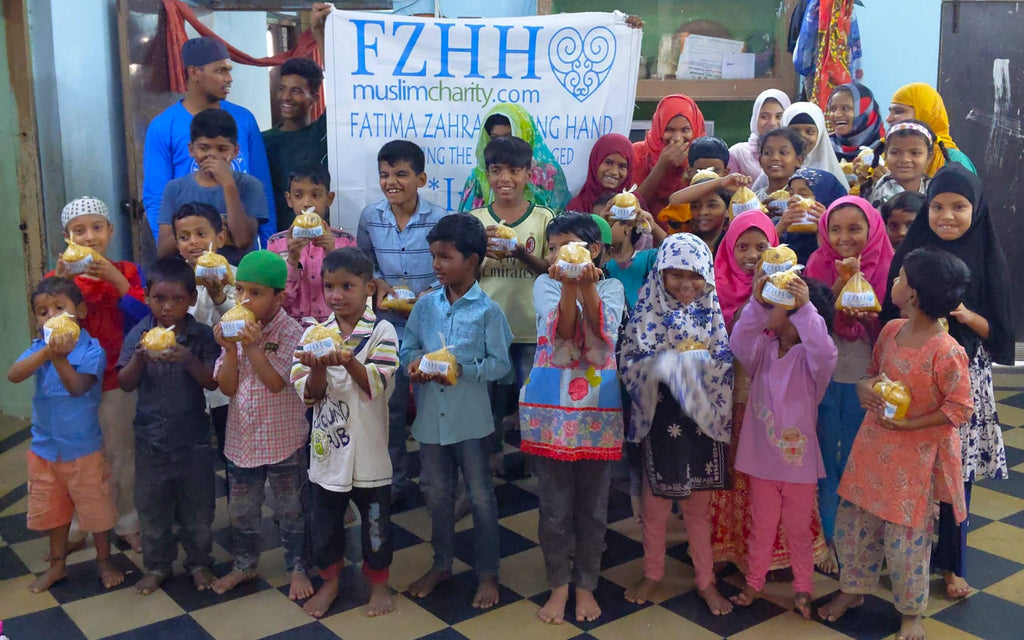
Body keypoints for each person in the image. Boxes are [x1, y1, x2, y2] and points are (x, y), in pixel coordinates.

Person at [820, 247, 974, 640]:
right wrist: (864, 389)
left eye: (901, 277)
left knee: (907, 543)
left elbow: (960, 408)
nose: (893, 282)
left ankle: (911, 613)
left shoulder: (946, 350)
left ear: (915, 294)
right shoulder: (890, 331)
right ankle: (852, 591)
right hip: (872, 451)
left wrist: (912, 426)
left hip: (914, 461)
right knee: (854, 526)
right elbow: (872, 374)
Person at [881, 164, 1014, 601]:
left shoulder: (988, 256)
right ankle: (901, 554)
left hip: (963, 382)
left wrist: (963, 315)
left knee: (956, 477)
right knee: (907, 470)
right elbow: (891, 309)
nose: (947, 216)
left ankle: (952, 564)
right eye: (938, 206)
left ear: (975, 209)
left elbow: (1002, 336)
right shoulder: (914, 252)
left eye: (959, 207)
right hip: (912, 378)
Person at [518, 213, 626, 625]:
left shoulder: (612, 287)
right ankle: (559, 585)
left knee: (594, 509)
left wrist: (586, 285)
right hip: (551, 412)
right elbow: (562, 331)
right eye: (553, 247)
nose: (557, 254)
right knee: (555, 507)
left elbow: (603, 335)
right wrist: (568, 284)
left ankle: (586, 586)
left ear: (594, 249)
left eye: (566, 246)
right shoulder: (545, 283)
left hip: (597, 408)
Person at [619, 234, 735, 616]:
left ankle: (706, 581)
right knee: (655, 506)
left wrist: (700, 366)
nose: (686, 284)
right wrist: (663, 366)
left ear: (707, 276)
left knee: (698, 509)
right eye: (675, 275)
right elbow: (630, 365)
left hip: (701, 424)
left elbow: (724, 364)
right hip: (662, 417)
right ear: (660, 276)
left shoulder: (712, 312)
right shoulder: (647, 312)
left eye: (695, 275)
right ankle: (653, 573)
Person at [402, 214, 512, 609]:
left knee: (481, 498)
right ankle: (442, 563)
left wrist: (463, 370)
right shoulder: (426, 305)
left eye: (446, 257)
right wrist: (415, 364)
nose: (436, 265)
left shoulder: (488, 312)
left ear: (473, 260)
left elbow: (502, 366)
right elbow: (408, 347)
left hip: (471, 422)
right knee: (437, 494)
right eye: (434, 257)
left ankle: (488, 574)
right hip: (431, 422)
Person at [291, 248, 399, 618]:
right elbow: (310, 394)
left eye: (347, 286)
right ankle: (330, 583)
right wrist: (319, 365)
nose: (336, 295)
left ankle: (379, 585)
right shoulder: (314, 335)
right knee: (324, 526)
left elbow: (376, 385)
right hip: (328, 453)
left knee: (376, 525)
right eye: (329, 286)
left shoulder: (382, 331)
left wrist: (347, 358)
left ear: (369, 288)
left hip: (369, 450)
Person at [728, 275, 837, 618]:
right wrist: (758, 304)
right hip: (762, 462)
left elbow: (824, 348)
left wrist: (805, 308)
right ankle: (754, 581)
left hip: (797, 466)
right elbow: (739, 339)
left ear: (795, 316)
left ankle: (803, 587)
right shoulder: (762, 350)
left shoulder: (811, 361)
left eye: (777, 306)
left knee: (798, 529)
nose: (770, 312)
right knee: (761, 526)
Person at [7, 277, 124, 593]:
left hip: (83, 449)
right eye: (43, 312)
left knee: (95, 509)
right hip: (45, 448)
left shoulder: (91, 350)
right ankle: (57, 564)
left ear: (80, 311)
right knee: (54, 510)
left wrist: (57, 358)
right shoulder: (38, 349)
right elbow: (14, 375)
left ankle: (103, 560)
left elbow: (77, 388)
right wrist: (46, 353)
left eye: (60, 308)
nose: (51, 317)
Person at [211, 251, 312, 599]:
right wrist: (227, 350)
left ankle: (298, 566)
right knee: (240, 510)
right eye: (239, 291)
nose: (243, 300)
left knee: (292, 509)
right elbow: (226, 387)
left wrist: (252, 346)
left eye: (255, 293)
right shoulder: (233, 326)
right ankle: (244, 564)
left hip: (284, 438)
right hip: (242, 438)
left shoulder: (291, 332)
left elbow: (275, 382)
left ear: (279, 297)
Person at [49, 196, 147, 554]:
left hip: (116, 378)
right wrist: (61, 285)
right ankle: (81, 524)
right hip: (75, 383)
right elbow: (49, 322)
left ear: (110, 230)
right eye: (79, 231)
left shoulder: (128, 271)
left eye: (96, 228)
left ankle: (127, 520)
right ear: (66, 237)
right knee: (81, 454)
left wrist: (118, 280)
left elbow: (143, 317)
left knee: (122, 451)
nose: (89, 237)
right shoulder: (57, 278)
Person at [116, 257, 220, 595]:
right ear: (147, 297)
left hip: (194, 442)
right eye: (160, 298)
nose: (168, 307)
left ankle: (199, 562)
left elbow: (212, 383)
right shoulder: (139, 333)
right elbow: (125, 383)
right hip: (150, 442)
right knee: (152, 512)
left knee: (198, 512)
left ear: (191, 299)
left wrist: (187, 359)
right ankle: (158, 565)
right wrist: (140, 358)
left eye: (177, 299)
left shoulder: (201, 336)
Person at [804, 196, 894, 569]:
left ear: (871, 230)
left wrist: (867, 312)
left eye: (855, 229)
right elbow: (815, 322)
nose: (844, 238)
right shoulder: (817, 263)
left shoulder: (888, 266)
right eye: (835, 229)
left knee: (865, 459)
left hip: (870, 380)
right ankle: (830, 538)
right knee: (826, 459)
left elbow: (891, 327)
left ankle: (865, 540)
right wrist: (842, 287)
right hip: (824, 379)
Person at [357, 139, 447, 503]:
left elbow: (450, 265)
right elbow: (365, 263)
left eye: (401, 174)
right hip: (387, 326)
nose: (391, 181)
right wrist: (376, 282)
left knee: (430, 404)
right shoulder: (370, 217)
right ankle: (394, 481)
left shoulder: (440, 219)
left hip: (430, 326)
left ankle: (433, 483)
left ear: (421, 178)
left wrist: (432, 293)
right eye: (384, 174)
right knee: (390, 407)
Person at [469, 136, 554, 471]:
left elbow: (551, 270)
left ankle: (539, 464)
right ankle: (490, 461)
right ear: (486, 174)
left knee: (532, 400)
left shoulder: (544, 217)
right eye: (496, 170)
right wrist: (479, 256)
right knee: (487, 403)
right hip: (486, 329)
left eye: (515, 170)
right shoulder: (475, 219)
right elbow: (464, 276)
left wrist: (521, 253)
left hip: (531, 329)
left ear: (529, 173)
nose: (505, 178)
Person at [143, 36, 276, 246]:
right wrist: (176, 249)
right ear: (194, 73)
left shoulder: (244, 119)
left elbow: (263, 186)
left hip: (241, 250)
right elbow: (156, 197)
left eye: (229, 70)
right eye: (220, 70)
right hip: (191, 253)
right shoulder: (163, 126)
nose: (229, 78)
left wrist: (270, 248)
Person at [157, 108, 269, 264]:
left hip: (237, 278)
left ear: (235, 151)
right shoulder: (175, 188)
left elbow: (242, 240)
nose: (212, 155)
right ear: (191, 150)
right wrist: (196, 230)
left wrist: (228, 184)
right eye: (204, 148)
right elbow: (163, 250)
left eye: (222, 149)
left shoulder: (250, 186)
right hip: (191, 276)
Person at [172, 202, 237, 460]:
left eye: (201, 234)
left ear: (219, 238)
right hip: (185, 380)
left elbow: (239, 323)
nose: (193, 243)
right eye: (184, 237)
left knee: (228, 447)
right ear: (176, 243)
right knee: (191, 451)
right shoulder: (174, 282)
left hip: (225, 384)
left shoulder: (235, 277)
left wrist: (219, 295)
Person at [267, 165, 356, 323]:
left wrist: (332, 255)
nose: (307, 203)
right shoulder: (276, 243)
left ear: (329, 199)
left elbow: (353, 296)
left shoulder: (346, 241)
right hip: (290, 329)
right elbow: (277, 301)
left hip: (336, 327)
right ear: (289, 199)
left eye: (315, 195)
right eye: (298, 195)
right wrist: (292, 260)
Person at [459, 103, 570, 212]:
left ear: (524, 134)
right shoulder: (478, 176)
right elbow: (465, 224)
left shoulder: (548, 173)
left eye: (508, 137)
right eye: (495, 138)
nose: (502, 145)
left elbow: (560, 223)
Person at [263, 57, 328, 232]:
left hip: (320, 239)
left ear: (314, 98)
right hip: (280, 241)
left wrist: (320, 35)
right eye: (282, 89)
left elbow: (343, 86)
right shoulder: (263, 141)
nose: (286, 97)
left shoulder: (323, 133)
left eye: (296, 91)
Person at [634, 94, 707, 217]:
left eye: (685, 130)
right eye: (669, 130)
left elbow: (708, 206)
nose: (677, 139)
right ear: (659, 128)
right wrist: (661, 166)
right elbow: (632, 207)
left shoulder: (704, 155)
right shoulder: (639, 153)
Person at [887, 82, 977, 174]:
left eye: (898, 111)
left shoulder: (954, 160)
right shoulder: (883, 157)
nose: (888, 119)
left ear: (925, 114)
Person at [775, 168, 847, 265]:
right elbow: (761, 257)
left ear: (824, 198)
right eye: (791, 194)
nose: (794, 199)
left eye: (803, 194)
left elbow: (832, 268)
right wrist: (780, 227)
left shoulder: (844, 231)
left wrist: (823, 230)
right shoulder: (781, 226)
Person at [863, 120, 938, 209]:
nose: (905, 159)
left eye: (914, 153)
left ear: (929, 157)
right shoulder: (871, 196)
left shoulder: (938, 193)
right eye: (895, 152)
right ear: (886, 155)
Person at [781, 102, 849, 192]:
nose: (801, 138)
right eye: (794, 132)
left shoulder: (834, 183)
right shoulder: (773, 171)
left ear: (820, 134)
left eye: (810, 132)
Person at [567, 133, 638, 213]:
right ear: (595, 162)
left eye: (622, 166)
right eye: (608, 163)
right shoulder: (576, 207)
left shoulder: (635, 205)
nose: (614, 172)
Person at [729, 89, 791, 180]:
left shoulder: (795, 154)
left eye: (779, 117)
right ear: (755, 119)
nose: (772, 123)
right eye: (764, 117)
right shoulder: (739, 154)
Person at [827, 82, 884, 162]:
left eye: (845, 108)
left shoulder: (888, 148)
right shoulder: (824, 147)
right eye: (833, 109)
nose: (837, 115)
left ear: (866, 111)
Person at [755, 128, 805, 202]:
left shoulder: (804, 199)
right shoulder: (753, 200)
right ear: (760, 161)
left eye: (783, 152)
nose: (775, 158)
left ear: (798, 160)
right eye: (767, 153)